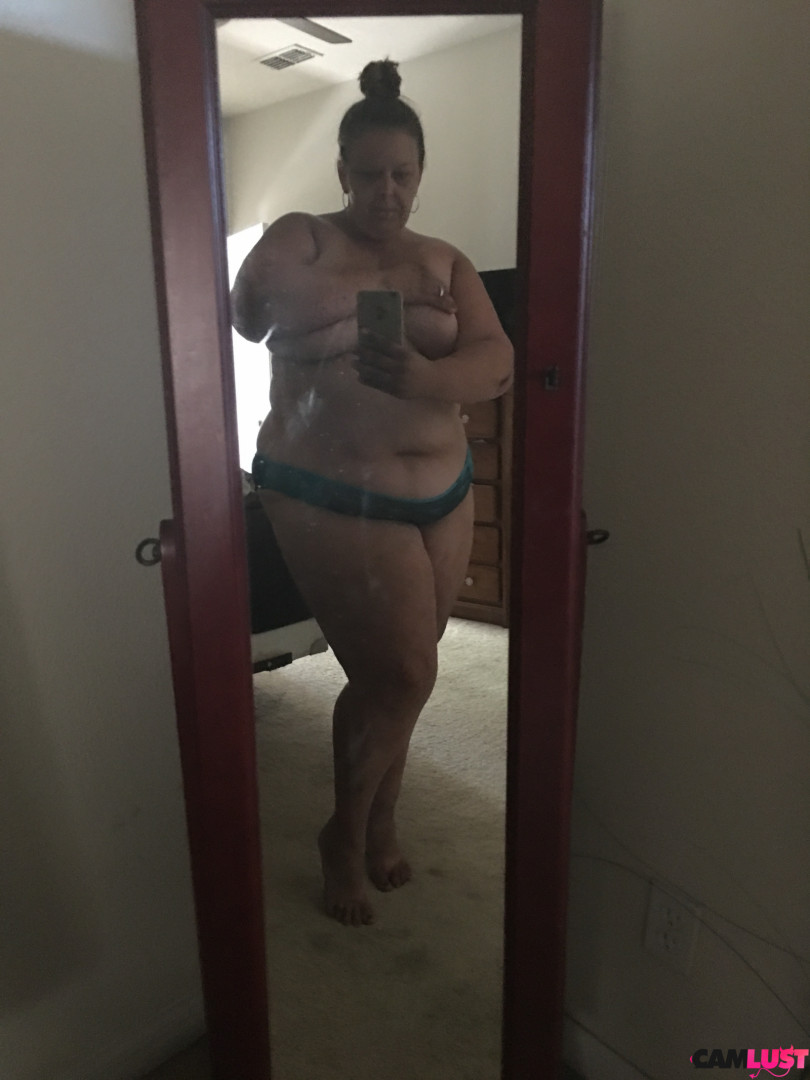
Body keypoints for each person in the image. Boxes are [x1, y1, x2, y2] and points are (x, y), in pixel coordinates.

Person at [230, 59, 513, 926]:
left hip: (443, 486)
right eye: (369, 174)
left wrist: (427, 377)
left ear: (420, 176)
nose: (386, 192)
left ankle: (383, 816)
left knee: (404, 676)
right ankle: (345, 836)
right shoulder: (302, 238)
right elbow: (247, 315)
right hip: (327, 487)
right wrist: (368, 297)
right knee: (405, 670)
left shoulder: (446, 260)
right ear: (342, 172)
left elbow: (497, 362)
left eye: (402, 175)